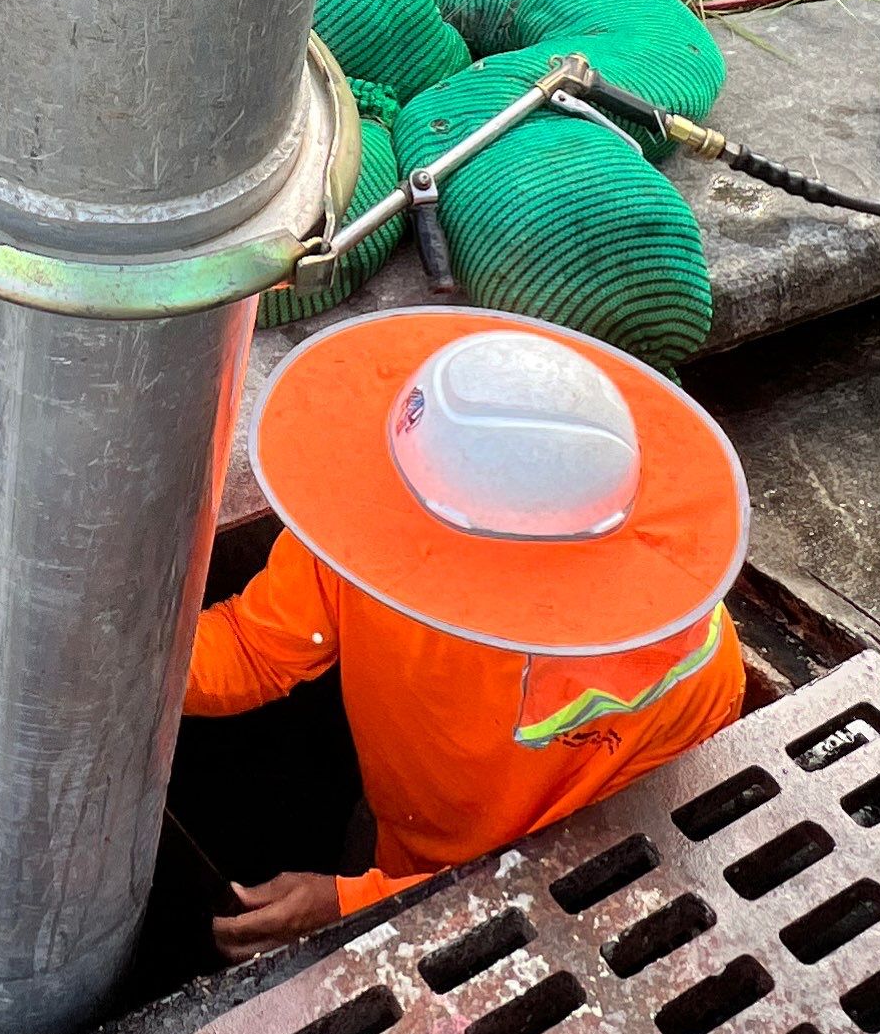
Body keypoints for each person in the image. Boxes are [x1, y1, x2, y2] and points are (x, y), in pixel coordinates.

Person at [187, 308, 748, 951]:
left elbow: (589, 879)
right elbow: (258, 647)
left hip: (514, 917)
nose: (400, 558)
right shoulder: (379, 511)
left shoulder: (678, 671)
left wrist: (356, 907)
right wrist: (103, 678)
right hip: (396, 830)